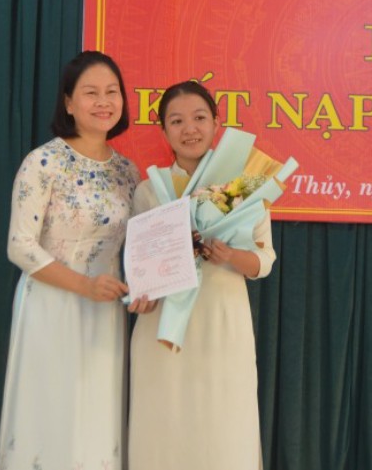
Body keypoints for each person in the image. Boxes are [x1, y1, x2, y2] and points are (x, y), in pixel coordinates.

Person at [0, 51, 153, 470]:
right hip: (52, 307)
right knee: (51, 416)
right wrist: (84, 285)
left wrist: (147, 285)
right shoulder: (43, 162)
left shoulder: (128, 172)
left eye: (112, 92)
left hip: (105, 312)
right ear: (68, 102)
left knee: (94, 420)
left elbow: (138, 247)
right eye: (90, 93)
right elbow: (20, 245)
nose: (104, 102)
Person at [128, 80, 276, 470]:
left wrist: (232, 256)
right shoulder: (148, 190)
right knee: (164, 423)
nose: (189, 129)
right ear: (163, 131)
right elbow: (140, 265)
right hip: (162, 328)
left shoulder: (243, 185)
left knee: (223, 425)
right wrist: (143, 293)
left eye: (199, 118)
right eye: (176, 121)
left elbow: (265, 260)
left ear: (216, 123)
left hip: (222, 322)